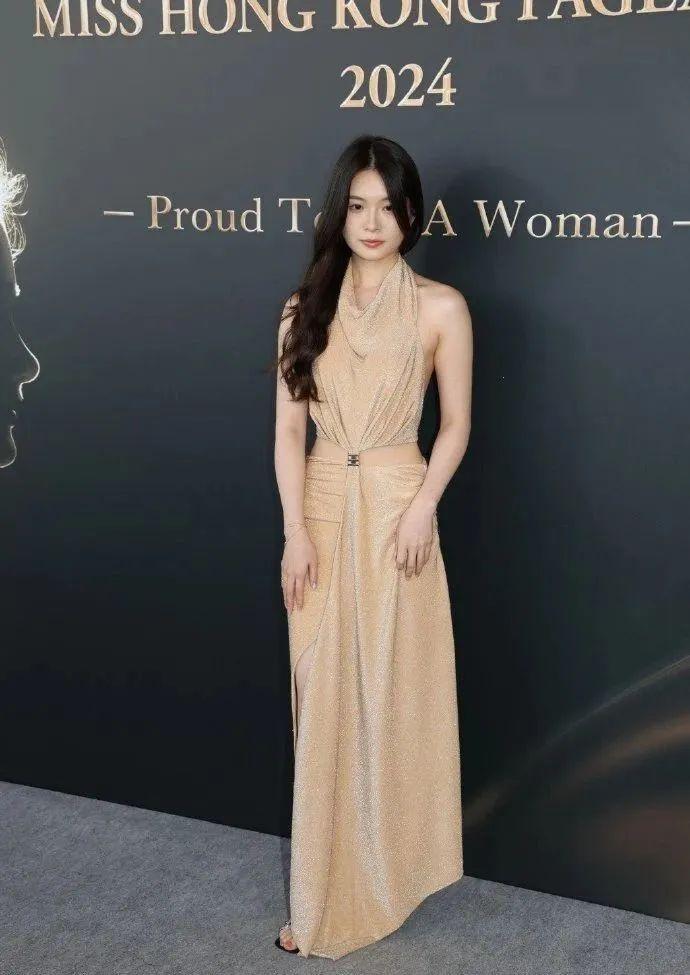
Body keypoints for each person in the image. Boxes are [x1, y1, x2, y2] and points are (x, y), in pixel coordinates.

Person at [272, 134, 473, 959]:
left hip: (398, 506)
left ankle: (390, 876)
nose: (372, 222)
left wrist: (424, 505)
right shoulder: (302, 308)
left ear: (411, 213)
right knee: (322, 697)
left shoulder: (441, 307)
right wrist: (294, 531)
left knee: (393, 694)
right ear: (339, 213)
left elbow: (455, 424)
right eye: (357, 206)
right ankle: (320, 895)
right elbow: (288, 432)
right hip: (321, 504)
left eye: (388, 207)